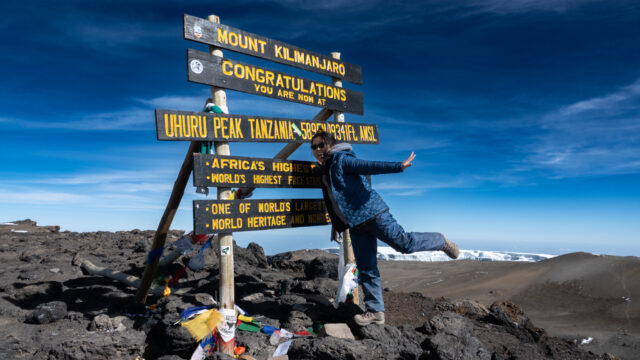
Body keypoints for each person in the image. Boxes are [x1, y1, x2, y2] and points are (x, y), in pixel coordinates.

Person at [311, 129, 459, 326]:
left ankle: (440, 241)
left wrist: (399, 166)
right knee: (366, 267)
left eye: (321, 144)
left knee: (404, 243)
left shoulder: (341, 159)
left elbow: (367, 165)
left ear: (330, 144)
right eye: (314, 147)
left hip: (373, 214)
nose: (318, 149)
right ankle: (375, 311)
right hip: (355, 223)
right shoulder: (327, 167)